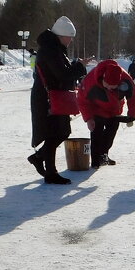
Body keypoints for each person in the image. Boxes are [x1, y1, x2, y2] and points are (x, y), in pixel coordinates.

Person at [28, 16, 85, 185]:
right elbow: (63, 75)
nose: (71, 40)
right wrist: (79, 67)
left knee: (60, 132)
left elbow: (62, 72)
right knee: (55, 133)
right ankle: (50, 171)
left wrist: (76, 66)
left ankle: (40, 158)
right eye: (70, 36)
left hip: (52, 97)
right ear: (61, 36)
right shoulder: (51, 50)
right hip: (48, 99)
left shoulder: (53, 49)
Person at [77, 58, 135, 168]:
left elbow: (133, 97)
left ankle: (103, 155)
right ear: (103, 78)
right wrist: (89, 118)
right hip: (96, 109)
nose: (110, 88)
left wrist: (132, 115)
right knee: (96, 133)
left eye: (113, 86)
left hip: (114, 111)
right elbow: (81, 100)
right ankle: (95, 160)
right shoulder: (91, 80)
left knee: (110, 134)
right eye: (107, 85)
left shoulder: (126, 80)